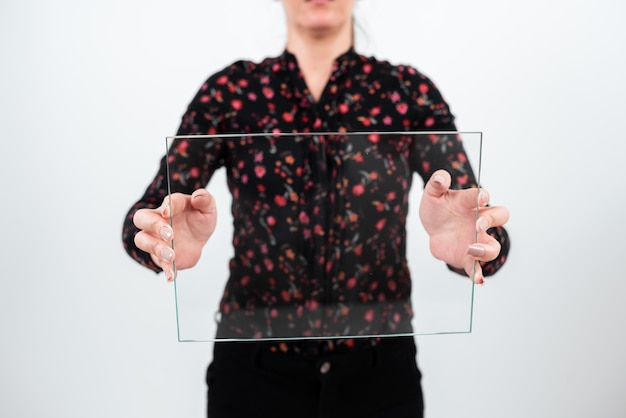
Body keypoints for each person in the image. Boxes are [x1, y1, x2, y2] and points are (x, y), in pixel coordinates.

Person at [122, 1, 510, 417]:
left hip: (379, 379)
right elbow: (145, 216)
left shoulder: (406, 91)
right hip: (254, 379)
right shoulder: (230, 93)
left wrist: (476, 243)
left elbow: (482, 225)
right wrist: (158, 236)